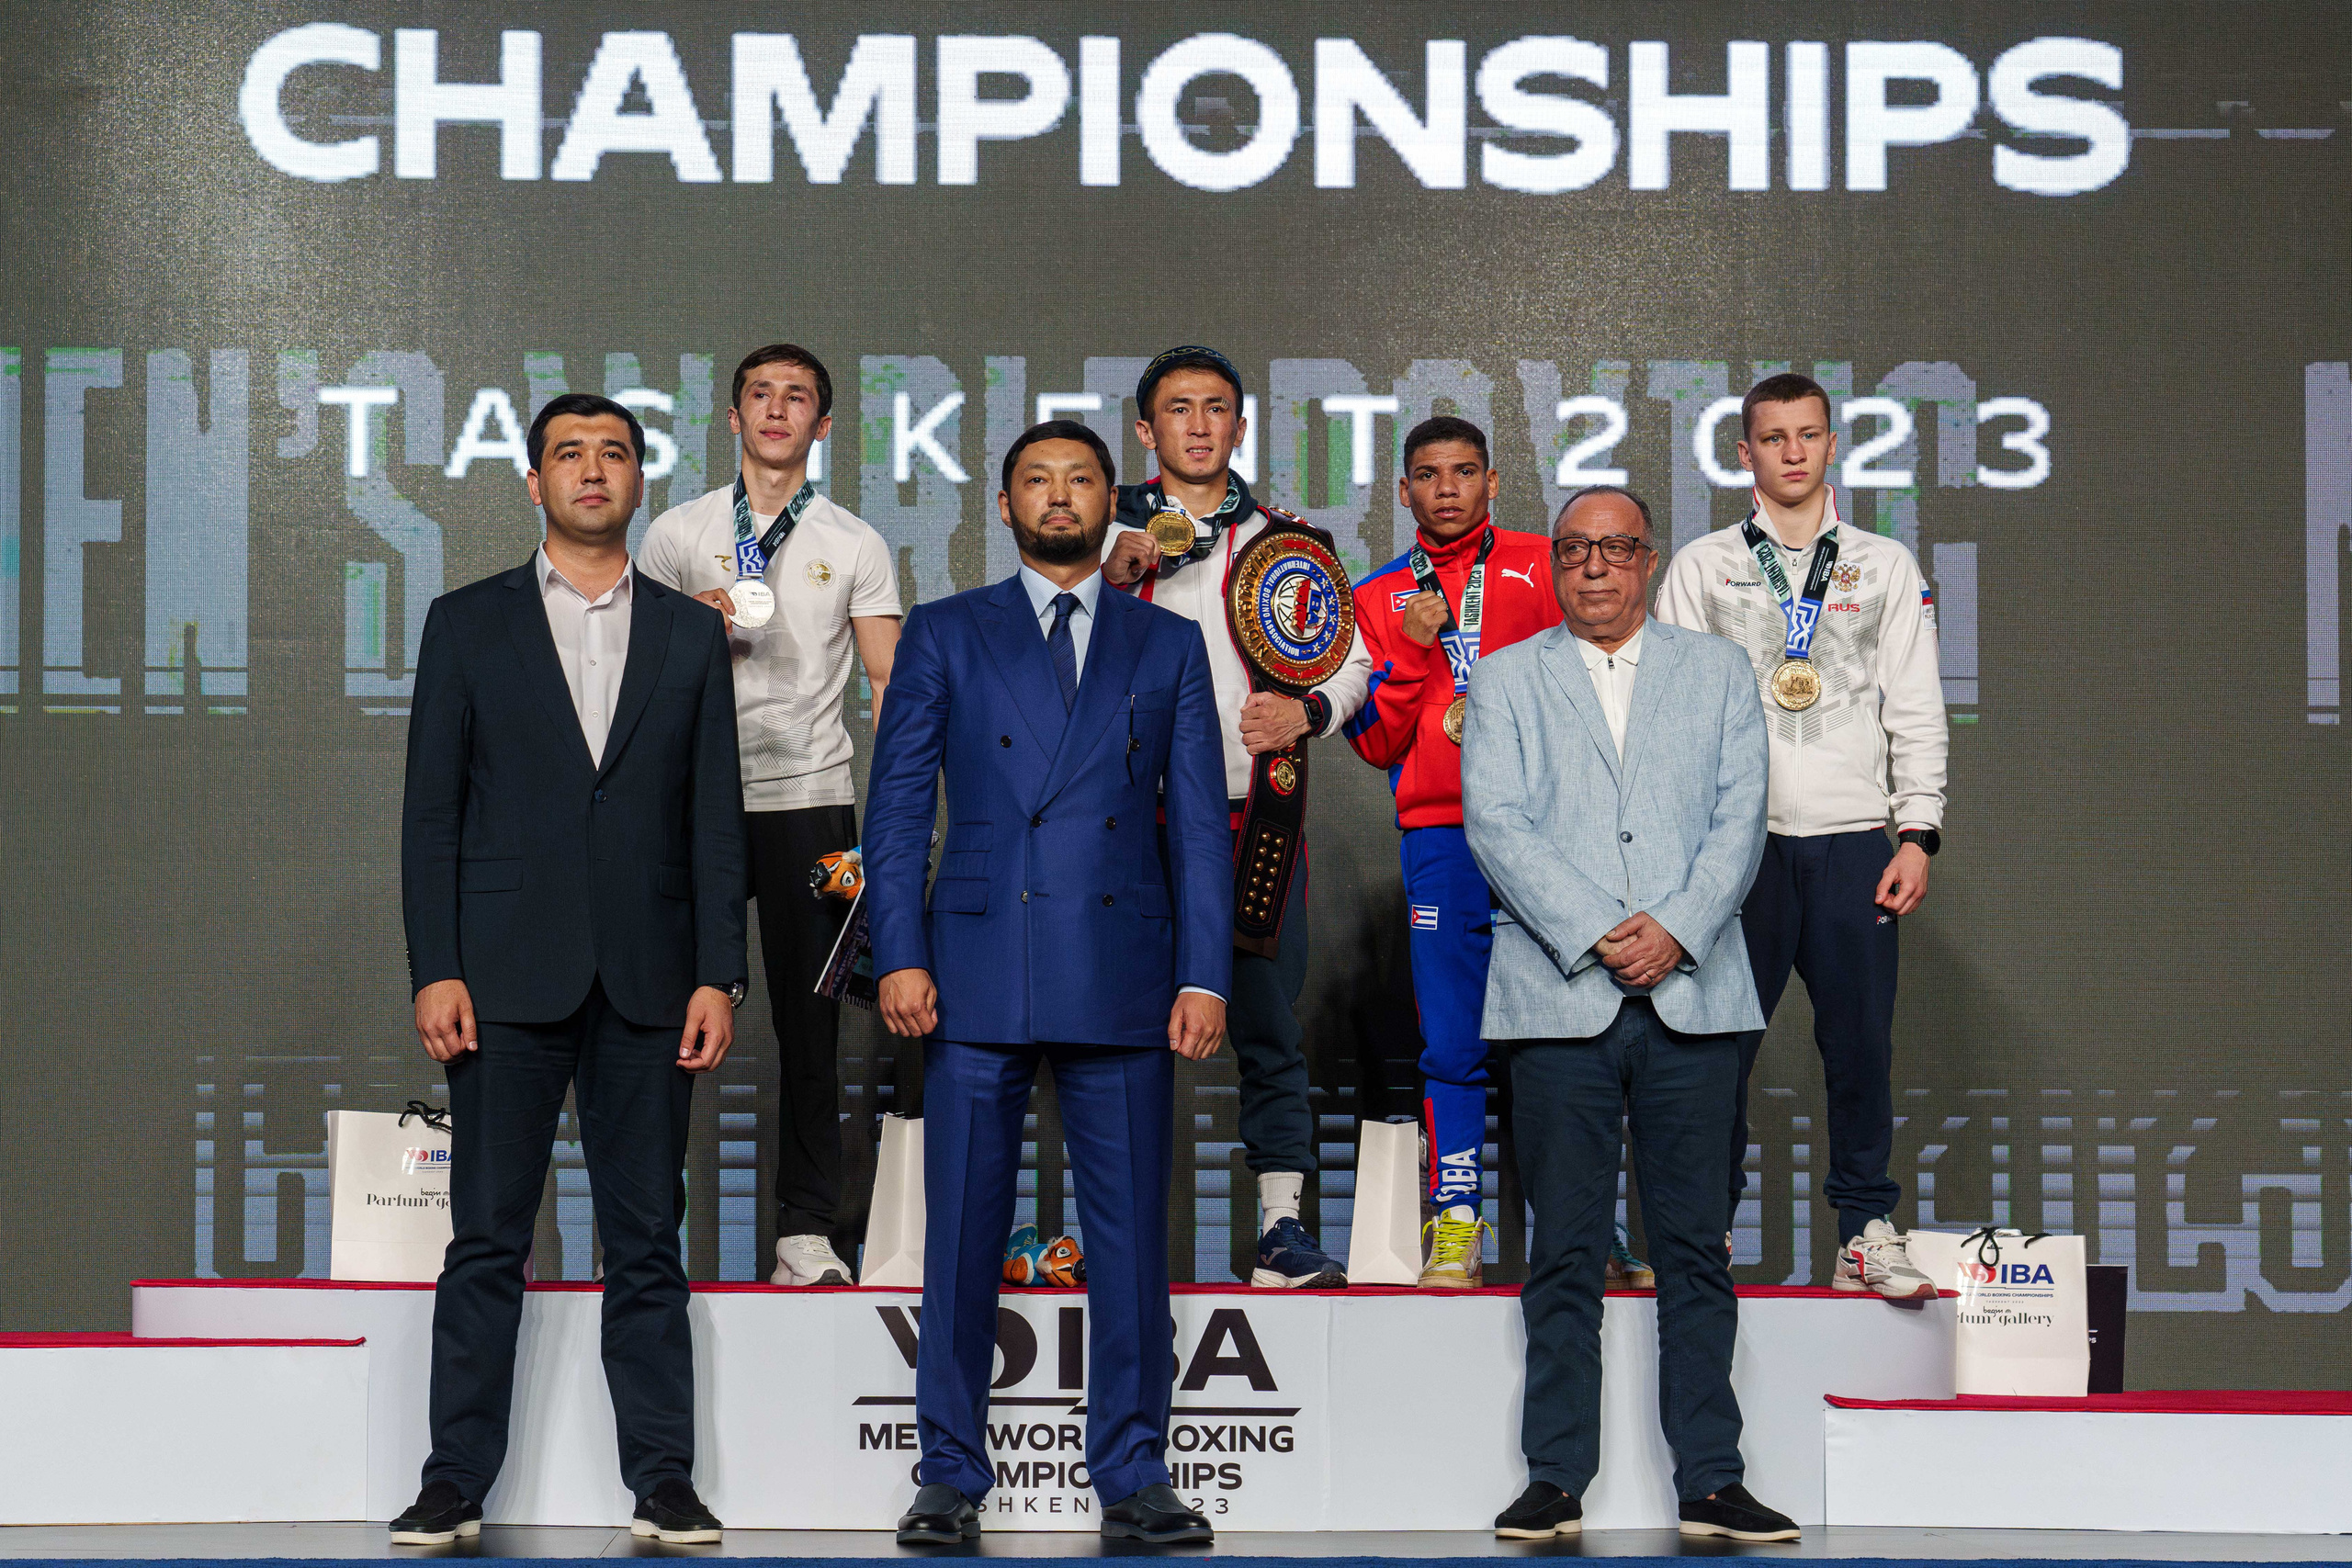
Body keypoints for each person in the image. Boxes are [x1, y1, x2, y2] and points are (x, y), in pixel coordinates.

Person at [865, 421, 1232, 1546]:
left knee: (1128, 1243)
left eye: (1080, 480)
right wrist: (899, 951)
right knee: (960, 1236)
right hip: (973, 963)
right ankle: (946, 1472)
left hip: (1123, 966)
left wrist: (1205, 975)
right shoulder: (944, 630)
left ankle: (1133, 1471)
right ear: (1005, 503)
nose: (1059, 496)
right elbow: (896, 810)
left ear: (1111, 501)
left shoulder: (1166, 643)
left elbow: (1200, 828)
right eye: (1037, 480)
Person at [393, 393, 743, 1547]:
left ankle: (663, 1482)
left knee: (646, 1244)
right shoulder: (465, 621)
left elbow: (714, 817)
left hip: (651, 980)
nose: (593, 470)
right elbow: (431, 815)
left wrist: (719, 973)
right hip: (500, 979)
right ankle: (453, 1482)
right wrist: (436, 966)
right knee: (486, 1241)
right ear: (534, 482)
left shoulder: (690, 633)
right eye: (568, 454)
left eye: (615, 453)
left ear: (639, 481)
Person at [1464, 485, 1798, 1543]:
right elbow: (1495, 824)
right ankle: (1554, 1478)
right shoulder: (1507, 677)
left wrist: (1677, 928)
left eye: (1615, 549)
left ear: (1648, 560)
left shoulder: (1718, 672)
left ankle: (1711, 1480)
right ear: (1556, 566)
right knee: (1563, 1250)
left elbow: (1740, 818)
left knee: (1694, 1249)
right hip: (1556, 995)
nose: (1594, 567)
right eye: (1574, 551)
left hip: (1693, 995)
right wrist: (1602, 931)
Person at [1654, 372, 1946, 1299]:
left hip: (1855, 840)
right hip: (1736, 850)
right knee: (1714, 1053)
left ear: (1831, 445)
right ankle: (1702, 1231)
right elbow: (1669, 719)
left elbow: (1914, 705)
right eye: (1773, 438)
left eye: (1807, 435)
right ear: (1744, 453)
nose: (1791, 452)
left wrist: (1917, 832)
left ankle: (1863, 1230)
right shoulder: (1702, 566)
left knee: (1860, 1050)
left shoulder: (1885, 565)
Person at [1345, 416, 1654, 1291]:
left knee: (1574, 1036)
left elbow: (1599, 684)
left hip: (1555, 838)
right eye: (1428, 474)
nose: (1446, 488)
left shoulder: (1545, 563)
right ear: (1403, 490)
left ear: (1491, 481)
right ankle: (1455, 1224)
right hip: (1442, 837)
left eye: (1464, 471)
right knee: (1451, 1041)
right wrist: (1413, 652)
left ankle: (1588, 1227)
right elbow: (1375, 743)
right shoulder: (1377, 595)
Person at [1101, 345, 1373, 1289]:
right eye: (1178, 408)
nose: (1199, 424)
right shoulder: (1098, 535)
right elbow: (1032, 646)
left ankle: (1280, 1231)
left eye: (1215, 407)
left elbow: (1350, 661)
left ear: (1240, 426)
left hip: (1251, 815)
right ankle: (1116, 1229)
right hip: (1124, 818)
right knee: (1112, 1025)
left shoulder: (1290, 542)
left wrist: (1307, 711)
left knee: (1267, 1023)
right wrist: (1103, 578)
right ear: (1146, 429)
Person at [639, 344, 901, 1287]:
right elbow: (631, 672)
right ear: (733, 415)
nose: (777, 409)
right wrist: (686, 622)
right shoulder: (677, 533)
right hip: (693, 801)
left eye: (797, 398)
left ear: (822, 424)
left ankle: (805, 1229)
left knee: (812, 1024)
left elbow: (888, 681)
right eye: (760, 394)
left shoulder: (854, 541)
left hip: (812, 801)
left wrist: (893, 819)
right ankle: (648, 1223)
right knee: (661, 1014)